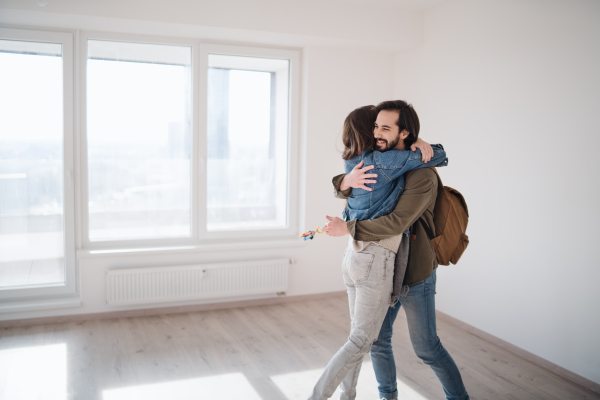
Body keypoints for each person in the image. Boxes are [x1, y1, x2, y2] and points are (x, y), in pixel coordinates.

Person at [325, 100, 470, 400]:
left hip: (414, 274)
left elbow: (395, 222)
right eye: (375, 126)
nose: (376, 133)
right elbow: (352, 178)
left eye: (385, 128)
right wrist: (345, 182)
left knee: (427, 348)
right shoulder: (382, 159)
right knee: (377, 341)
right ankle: (387, 396)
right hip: (383, 269)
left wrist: (349, 228)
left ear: (404, 133)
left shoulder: (423, 175)